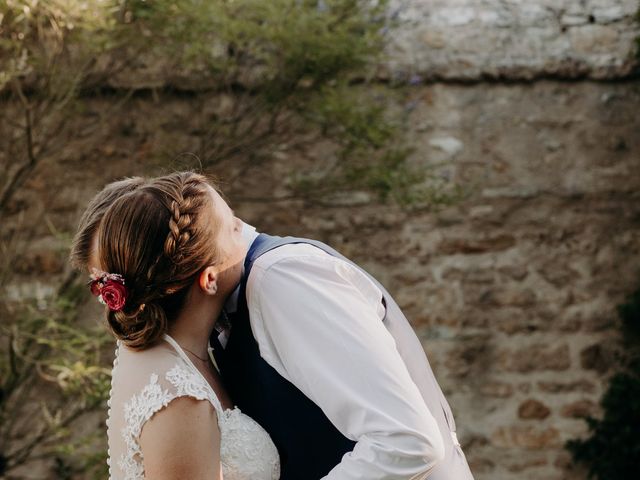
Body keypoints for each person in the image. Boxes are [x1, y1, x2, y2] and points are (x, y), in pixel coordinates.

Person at [70, 170, 474, 480]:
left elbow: (407, 439)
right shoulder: (190, 341)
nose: (244, 233)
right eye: (230, 224)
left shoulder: (283, 279)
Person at [70, 172, 280, 479]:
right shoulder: (180, 400)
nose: (244, 230)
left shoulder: (156, 347)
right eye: (232, 228)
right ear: (209, 278)